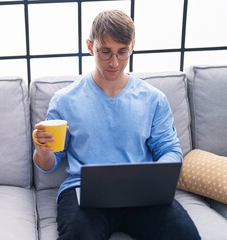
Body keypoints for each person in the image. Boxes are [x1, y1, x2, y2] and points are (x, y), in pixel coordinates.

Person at [32, 10, 200, 240]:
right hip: (82, 194)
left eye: (122, 52)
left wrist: (154, 179)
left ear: (132, 46)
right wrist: (42, 151)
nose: (114, 62)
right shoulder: (64, 100)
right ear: (90, 46)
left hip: (142, 196)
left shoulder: (153, 99)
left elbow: (170, 150)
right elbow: (48, 165)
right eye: (105, 52)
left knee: (185, 235)